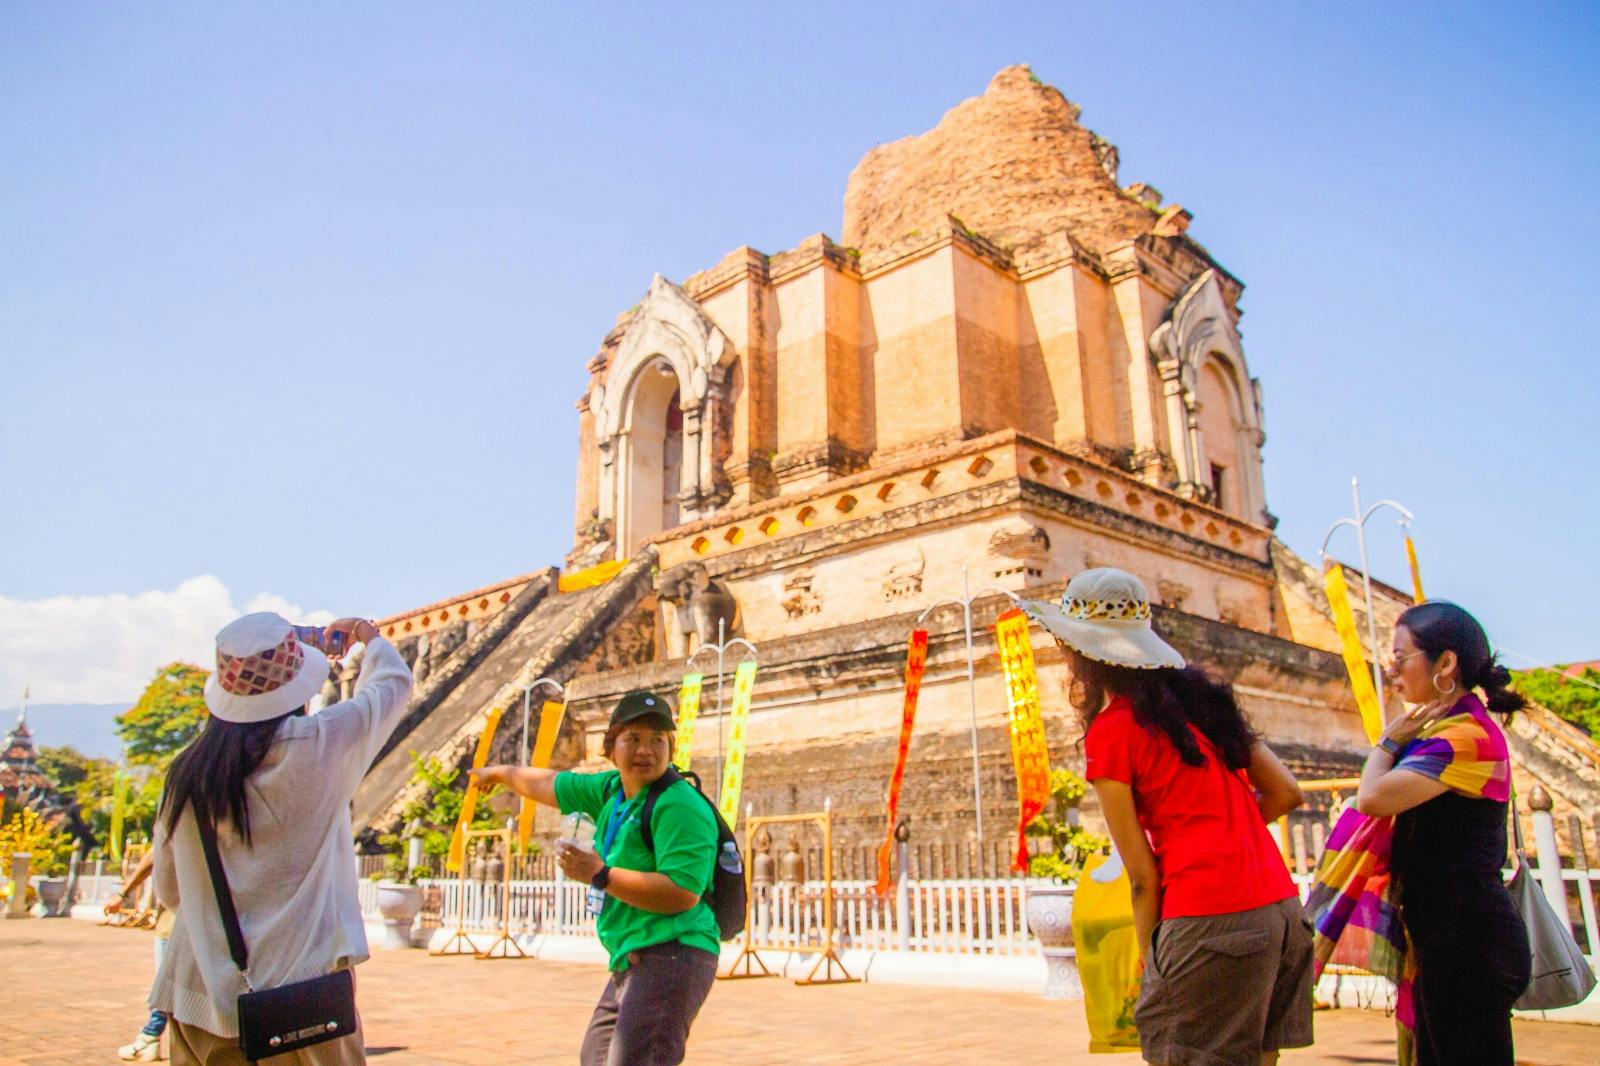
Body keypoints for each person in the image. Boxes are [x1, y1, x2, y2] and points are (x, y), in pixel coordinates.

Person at [1025, 568, 1312, 1066]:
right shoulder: (1206, 707)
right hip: (1281, 913)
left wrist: (1151, 961)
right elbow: (1286, 792)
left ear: (1084, 656)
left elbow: (1141, 877)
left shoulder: (1112, 733)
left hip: (1208, 920)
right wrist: (1225, 833)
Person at [150, 613, 414, 1065]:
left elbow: (171, 891)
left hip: (196, 997)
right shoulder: (321, 745)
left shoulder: (188, 774)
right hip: (301, 1005)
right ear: (298, 688)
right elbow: (391, 686)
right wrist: (367, 637)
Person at [1310, 600, 1529, 1065]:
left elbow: (1372, 799)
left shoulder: (1465, 737)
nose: (1391, 670)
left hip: (1468, 942)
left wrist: (1388, 742)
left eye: (1399, 657)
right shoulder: (1445, 734)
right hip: (1446, 937)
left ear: (1445, 663)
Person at [472, 690, 721, 1066]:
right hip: (633, 956)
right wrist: (501, 773)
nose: (645, 751)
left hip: (673, 954)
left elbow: (682, 892)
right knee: (597, 1056)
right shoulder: (612, 791)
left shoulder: (679, 805)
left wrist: (599, 874)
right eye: (633, 739)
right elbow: (551, 785)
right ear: (611, 746)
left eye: (657, 741)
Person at [107, 848, 174, 1061]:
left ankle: (150, 1036)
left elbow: (155, 853)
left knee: (166, 983)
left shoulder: (179, 815)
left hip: (176, 918)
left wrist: (123, 893)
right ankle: (151, 1035)